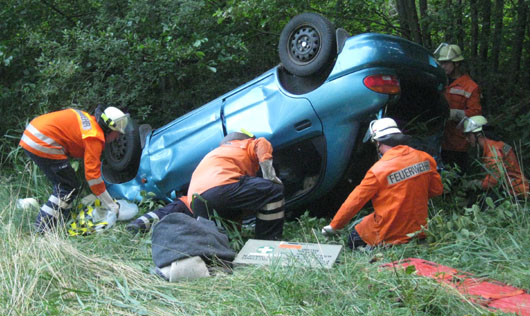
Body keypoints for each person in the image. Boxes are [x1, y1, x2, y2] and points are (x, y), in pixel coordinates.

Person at [321, 118, 444, 248]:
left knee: (354, 236)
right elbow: (436, 190)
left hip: (389, 234)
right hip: (418, 231)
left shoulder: (378, 170)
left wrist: (335, 226)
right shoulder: (425, 158)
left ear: (378, 142)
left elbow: (355, 201)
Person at [19, 106, 129, 233]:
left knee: (68, 184)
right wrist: (111, 205)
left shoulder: (90, 122)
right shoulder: (94, 137)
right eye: (118, 133)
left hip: (34, 134)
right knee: (68, 187)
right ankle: (42, 228)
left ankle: (60, 220)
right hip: (42, 141)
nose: (117, 137)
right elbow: (93, 177)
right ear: (109, 128)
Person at [186, 130, 285, 240]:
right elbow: (261, 143)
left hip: (196, 202)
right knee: (273, 190)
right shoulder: (244, 144)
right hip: (221, 186)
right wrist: (269, 176)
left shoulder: (216, 154)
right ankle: (267, 241)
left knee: (222, 240)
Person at [434, 43, 482, 173]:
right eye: (441, 63)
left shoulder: (470, 86)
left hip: (457, 143)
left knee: (456, 177)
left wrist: (455, 114)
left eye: (446, 63)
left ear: (456, 64)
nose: (442, 66)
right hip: (438, 139)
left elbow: (476, 113)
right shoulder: (439, 82)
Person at [459, 115, 529, 199]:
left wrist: (476, 183)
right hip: (517, 189)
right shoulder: (499, 145)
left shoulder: (493, 151)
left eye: (468, 135)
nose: (467, 139)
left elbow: (493, 180)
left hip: (515, 193)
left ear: (478, 135)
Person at [126, 195, 193, 234]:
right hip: (187, 202)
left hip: (195, 209)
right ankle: (139, 224)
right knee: (167, 211)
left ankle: (140, 224)